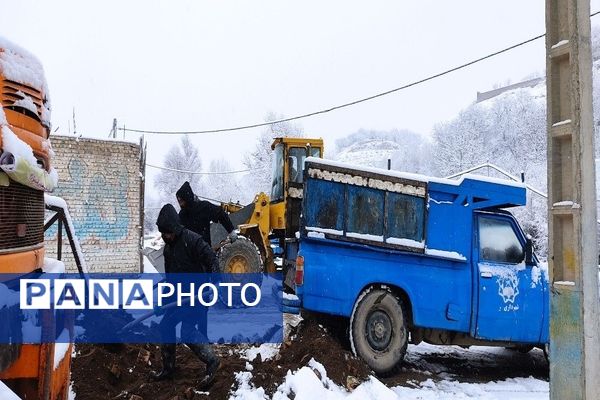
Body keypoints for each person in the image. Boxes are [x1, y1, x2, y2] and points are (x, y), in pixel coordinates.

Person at [151, 203, 220, 389]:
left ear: (174, 227)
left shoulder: (193, 240)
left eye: (167, 232)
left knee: (187, 332)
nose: (165, 236)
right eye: (162, 233)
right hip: (179, 297)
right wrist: (163, 302)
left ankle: (212, 361)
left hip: (197, 296)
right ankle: (168, 369)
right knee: (166, 325)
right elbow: (170, 280)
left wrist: (215, 281)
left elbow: (212, 260)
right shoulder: (168, 249)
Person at [176, 181, 237, 246]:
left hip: (204, 250)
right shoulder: (182, 215)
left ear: (187, 198)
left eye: (182, 201)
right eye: (179, 201)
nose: (180, 204)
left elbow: (220, 214)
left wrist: (231, 230)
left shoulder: (204, 207)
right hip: (189, 251)